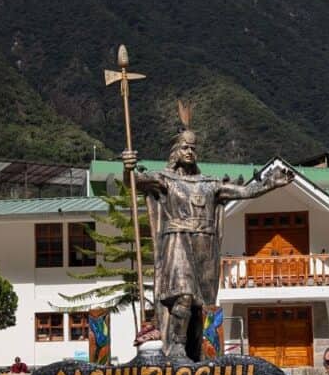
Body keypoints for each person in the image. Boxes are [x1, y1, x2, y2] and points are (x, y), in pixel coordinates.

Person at [123, 103, 294, 360]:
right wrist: (128, 168)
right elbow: (134, 182)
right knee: (183, 294)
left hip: (204, 245)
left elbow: (245, 192)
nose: (190, 152)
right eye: (185, 147)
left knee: (199, 302)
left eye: (193, 148)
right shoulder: (165, 180)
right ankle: (177, 346)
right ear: (175, 152)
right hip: (177, 241)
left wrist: (271, 183)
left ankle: (197, 348)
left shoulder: (209, 184)